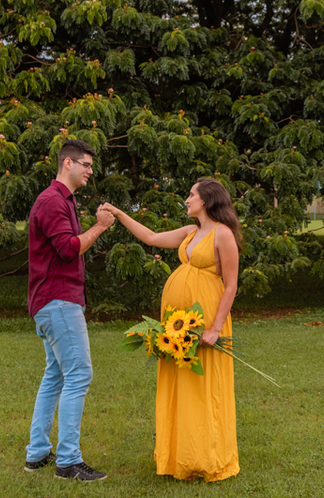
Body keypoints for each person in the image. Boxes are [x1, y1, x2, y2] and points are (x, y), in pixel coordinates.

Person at [102, 178, 242, 482]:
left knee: (202, 388)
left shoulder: (223, 234)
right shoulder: (191, 231)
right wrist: (120, 214)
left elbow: (231, 285)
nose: (187, 199)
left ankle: (206, 458)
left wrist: (215, 328)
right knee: (181, 385)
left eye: (191, 195)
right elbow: (151, 237)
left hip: (205, 322)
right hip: (177, 324)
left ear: (206, 200)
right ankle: (181, 456)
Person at [23, 138, 114, 481]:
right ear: (68, 164)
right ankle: (68, 462)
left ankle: (37, 453)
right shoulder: (52, 202)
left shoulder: (63, 200)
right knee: (78, 374)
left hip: (51, 300)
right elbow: (68, 249)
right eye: (86, 165)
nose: (90, 171)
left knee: (56, 375)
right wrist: (100, 226)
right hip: (58, 300)